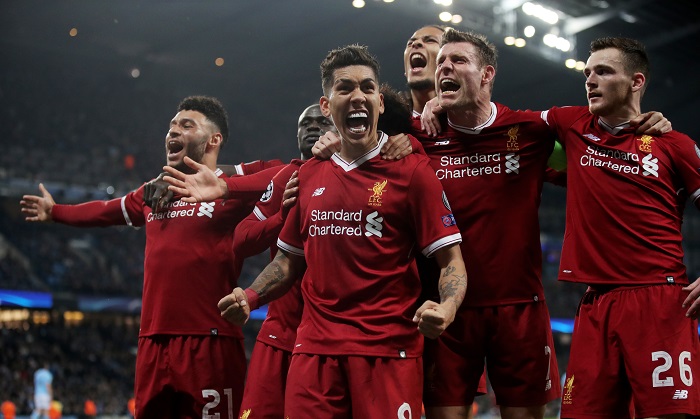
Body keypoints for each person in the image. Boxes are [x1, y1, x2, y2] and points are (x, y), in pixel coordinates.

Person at [406, 29, 671, 419]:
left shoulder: (531, 130)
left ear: (486, 74)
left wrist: (645, 121)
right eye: (441, 62)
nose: (444, 67)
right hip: (449, 309)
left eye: (458, 60)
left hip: (520, 309)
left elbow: (603, 137)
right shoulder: (418, 138)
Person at [216, 44, 467, 418]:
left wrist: (447, 307)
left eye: (367, 88)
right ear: (326, 104)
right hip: (314, 354)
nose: (358, 96)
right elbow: (287, 262)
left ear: (380, 103)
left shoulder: (413, 173)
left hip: (387, 353)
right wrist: (249, 298)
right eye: (345, 88)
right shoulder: (309, 175)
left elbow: (452, 262)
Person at [20, 96, 265, 418]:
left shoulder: (232, 185)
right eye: (171, 126)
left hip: (208, 338)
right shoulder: (156, 192)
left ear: (214, 139)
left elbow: (285, 171)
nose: (173, 132)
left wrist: (225, 181)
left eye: (186, 125)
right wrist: (57, 212)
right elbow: (106, 211)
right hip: (152, 340)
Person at [543, 37, 700, 418]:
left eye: (603, 71)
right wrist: (433, 107)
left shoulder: (673, 144)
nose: (590, 80)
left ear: (636, 82)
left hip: (658, 299)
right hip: (596, 303)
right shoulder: (572, 124)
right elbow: (494, 123)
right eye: (587, 72)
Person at [230, 103, 336, 418]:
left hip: (331, 337)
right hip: (280, 333)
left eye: (322, 121)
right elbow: (241, 240)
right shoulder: (286, 176)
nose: (313, 126)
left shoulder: (359, 175)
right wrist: (282, 218)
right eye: (305, 123)